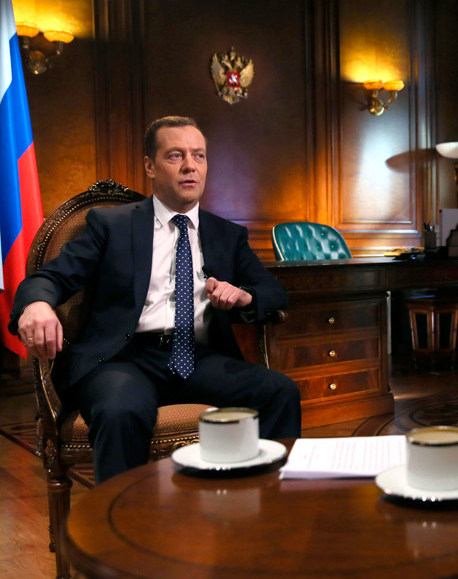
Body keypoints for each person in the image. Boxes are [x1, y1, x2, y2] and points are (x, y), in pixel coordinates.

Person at [9, 116, 301, 483]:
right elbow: (49, 278)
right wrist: (36, 304)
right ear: (150, 166)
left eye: (199, 155)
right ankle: (121, 517)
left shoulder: (227, 234)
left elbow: (273, 291)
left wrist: (246, 296)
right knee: (121, 410)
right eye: (175, 155)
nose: (190, 166)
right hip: (123, 359)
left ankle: (266, 503)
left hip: (199, 357)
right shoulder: (111, 226)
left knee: (279, 391)